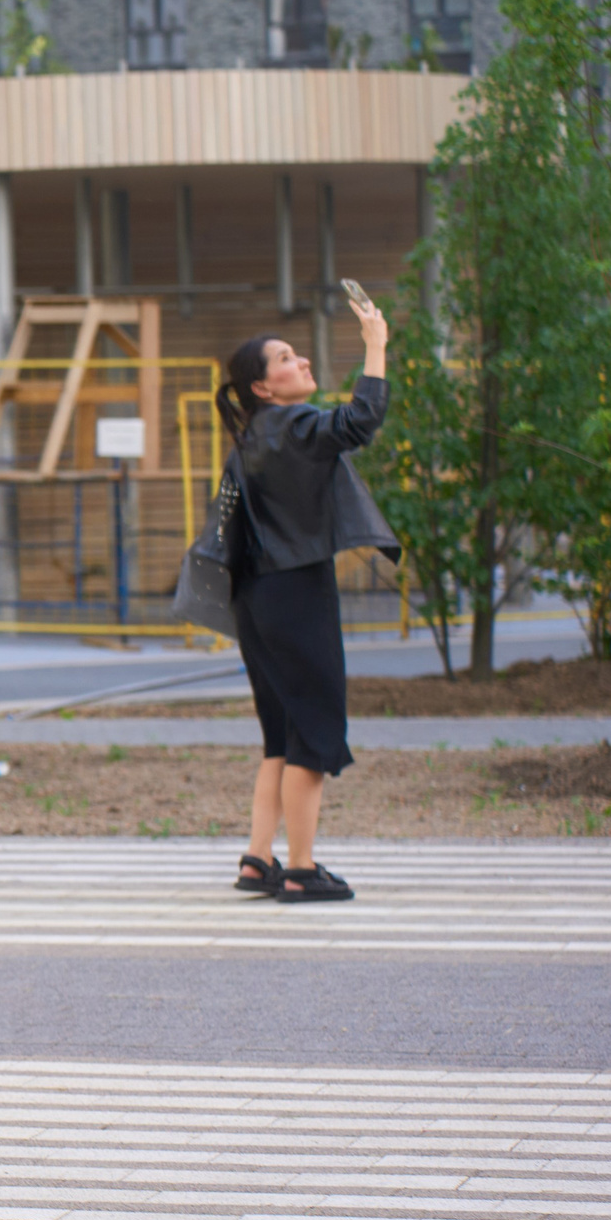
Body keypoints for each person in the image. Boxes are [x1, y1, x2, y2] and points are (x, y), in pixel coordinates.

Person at [217, 294, 397, 904]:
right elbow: (358, 423)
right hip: (296, 589)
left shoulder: (252, 437)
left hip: (256, 598)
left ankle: (257, 859)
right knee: (314, 733)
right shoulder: (294, 426)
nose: (301, 363)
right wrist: (375, 345)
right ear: (264, 388)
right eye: (287, 359)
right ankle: (299, 868)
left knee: (281, 733)